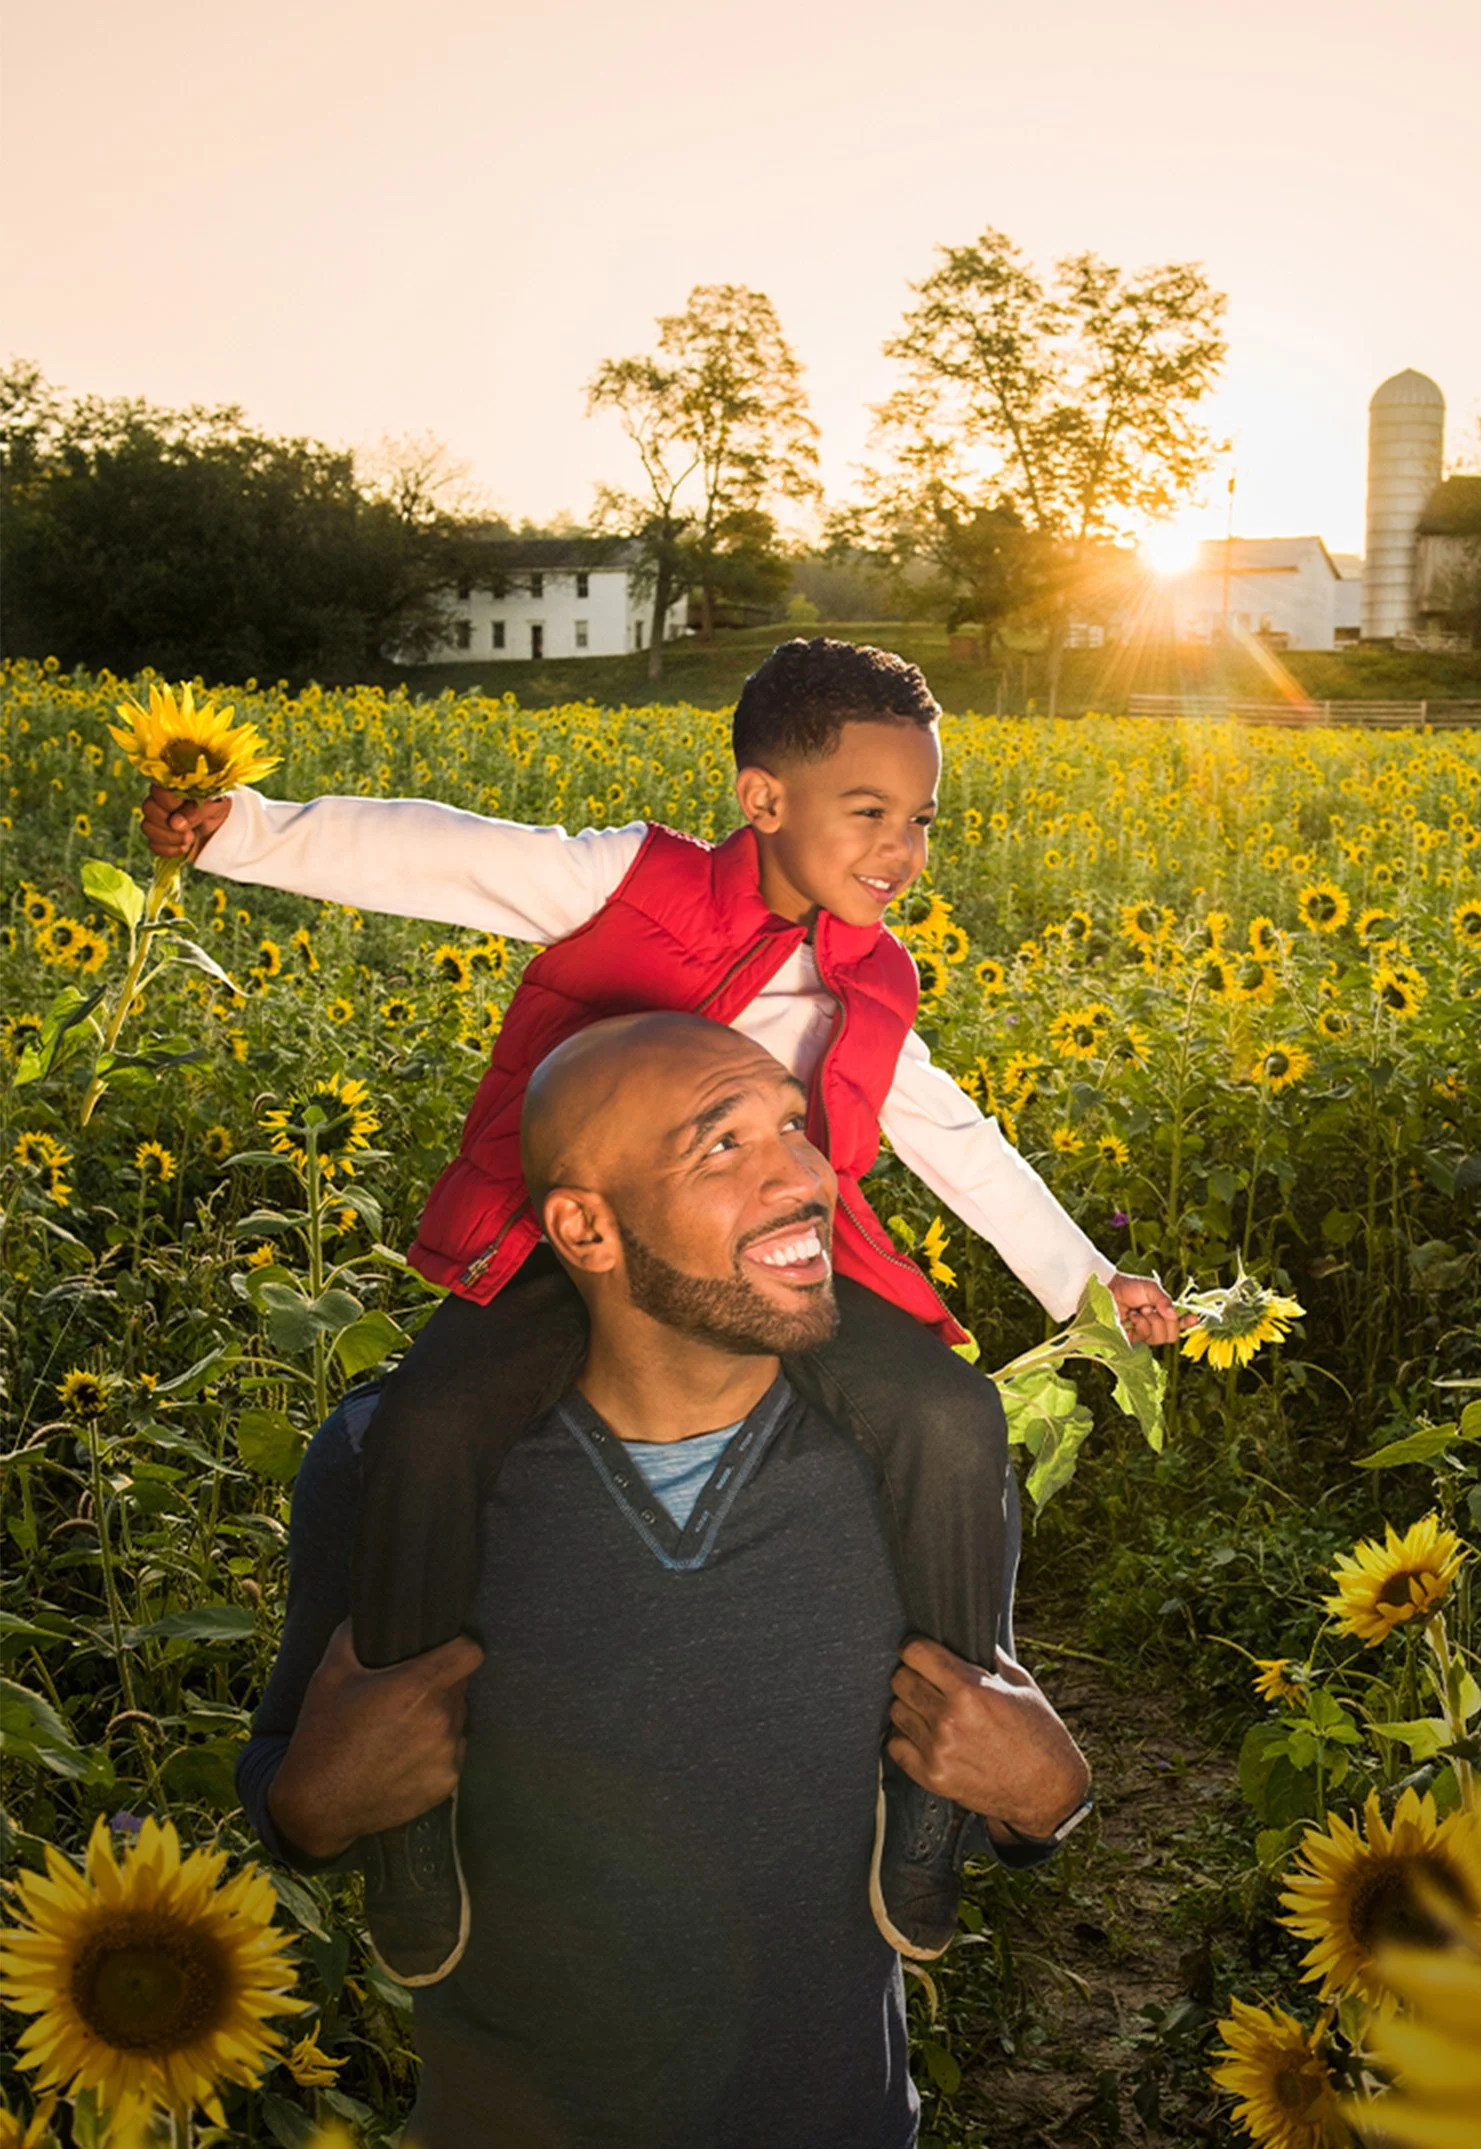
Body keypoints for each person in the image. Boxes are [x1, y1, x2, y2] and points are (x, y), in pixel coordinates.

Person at [142, 639, 1178, 1984]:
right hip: (560, 1243)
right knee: (424, 1432)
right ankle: (404, 1826)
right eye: (868, 813)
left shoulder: (874, 975)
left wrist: (1091, 1285)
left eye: (921, 819)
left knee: (950, 1417)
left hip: (775, 1253)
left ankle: (943, 1782)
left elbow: (952, 1132)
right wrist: (243, 831)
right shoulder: (619, 882)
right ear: (762, 801)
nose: (902, 848)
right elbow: (438, 849)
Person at [237, 1012, 1095, 2149]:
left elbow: (987, 1753)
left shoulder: (908, 1461)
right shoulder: (391, 1471)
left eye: (795, 1129)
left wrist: (1048, 1798)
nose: (805, 1174)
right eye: (725, 1145)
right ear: (584, 1229)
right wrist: (315, 1800)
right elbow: (287, 1791)